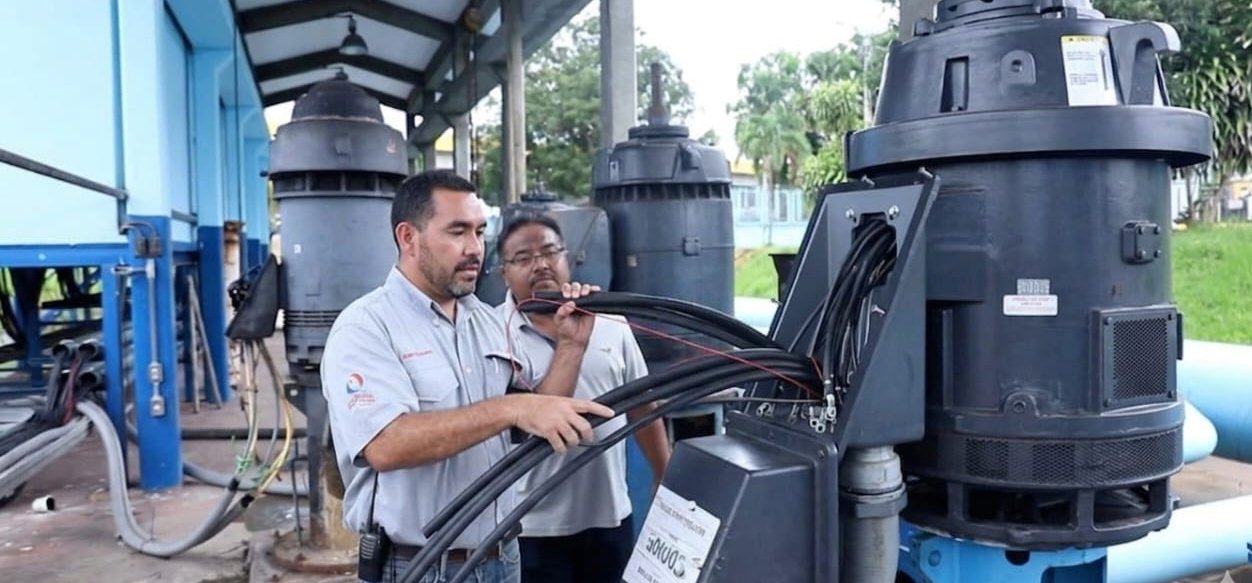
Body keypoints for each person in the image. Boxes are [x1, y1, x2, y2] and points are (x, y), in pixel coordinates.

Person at [320, 170, 614, 583]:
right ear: (408, 238)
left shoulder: (485, 322)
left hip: (503, 557)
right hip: (420, 568)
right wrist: (510, 408)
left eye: (479, 232)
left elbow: (533, 424)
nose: (475, 248)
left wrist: (571, 347)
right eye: (457, 232)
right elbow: (386, 445)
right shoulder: (367, 327)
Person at [495, 213, 672, 583]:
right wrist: (571, 343)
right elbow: (537, 425)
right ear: (503, 273)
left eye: (549, 252)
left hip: (609, 517)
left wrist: (664, 473)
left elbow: (642, 403)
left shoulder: (610, 322)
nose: (540, 264)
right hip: (530, 528)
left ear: (568, 257)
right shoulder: (491, 335)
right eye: (524, 258)